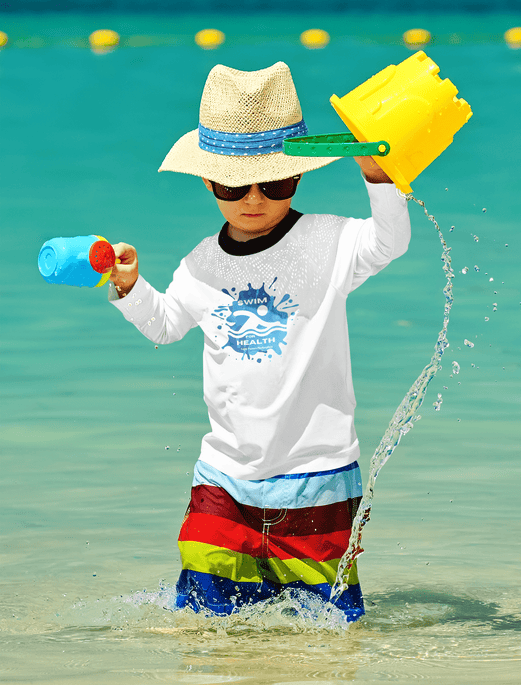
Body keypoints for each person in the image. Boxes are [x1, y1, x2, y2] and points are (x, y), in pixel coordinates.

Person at [107, 61, 410, 622]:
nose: (253, 199)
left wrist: (379, 177)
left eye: (274, 182)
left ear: (299, 176)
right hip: (223, 475)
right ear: (207, 182)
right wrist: (129, 288)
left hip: (316, 475)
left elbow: (390, 242)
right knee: (204, 620)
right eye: (232, 185)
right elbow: (166, 324)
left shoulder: (328, 240)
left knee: (328, 627)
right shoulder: (201, 262)